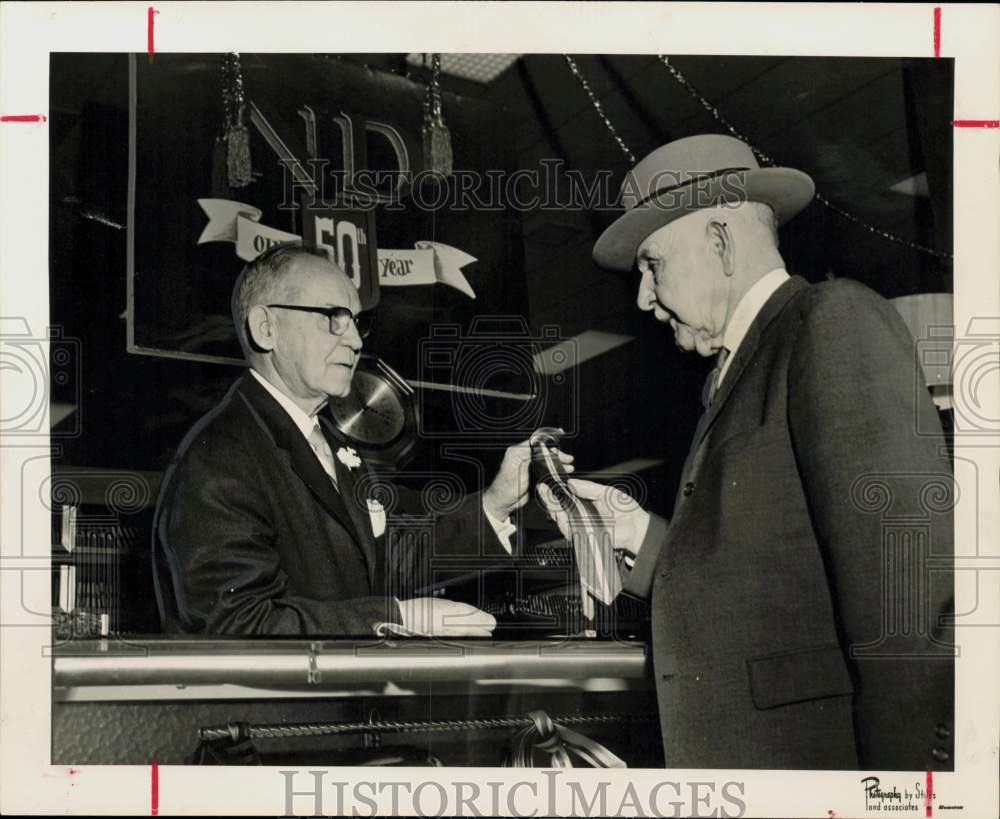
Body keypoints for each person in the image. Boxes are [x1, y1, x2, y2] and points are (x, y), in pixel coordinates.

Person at [540, 134, 954, 770]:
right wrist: (631, 534)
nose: (644, 298)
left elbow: (908, 600)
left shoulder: (830, 322)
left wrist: (900, 795)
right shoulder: (736, 374)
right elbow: (766, 591)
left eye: (652, 265)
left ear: (721, 243)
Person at [153, 241, 568, 638]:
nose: (354, 340)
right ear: (266, 329)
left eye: (355, 321)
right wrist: (398, 616)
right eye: (331, 316)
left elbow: (384, 561)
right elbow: (236, 623)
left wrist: (495, 504)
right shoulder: (223, 454)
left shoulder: (324, 441)